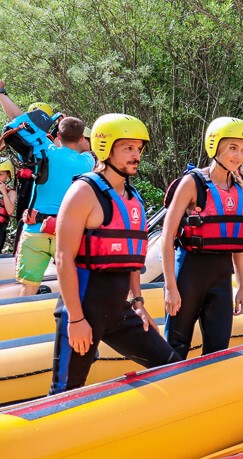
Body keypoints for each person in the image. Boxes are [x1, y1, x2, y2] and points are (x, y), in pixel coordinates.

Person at [50, 113, 182, 394]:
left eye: (138, 149)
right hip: (84, 310)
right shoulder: (83, 192)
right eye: (128, 149)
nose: (136, 156)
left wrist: (138, 302)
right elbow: (63, 259)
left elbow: (132, 258)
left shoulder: (133, 198)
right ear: (104, 148)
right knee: (64, 391)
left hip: (121, 312)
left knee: (171, 365)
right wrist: (75, 319)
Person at [161, 117, 243, 359]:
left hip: (221, 279)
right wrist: (170, 287)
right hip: (189, 274)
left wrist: (241, 287)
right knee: (176, 348)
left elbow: (239, 243)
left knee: (218, 351)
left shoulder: (242, 188)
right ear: (215, 146)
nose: (238, 156)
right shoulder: (193, 183)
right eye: (233, 148)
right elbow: (167, 236)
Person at [14, 116, 95, 295]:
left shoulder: (45, 153)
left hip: (35, 231)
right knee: (72, 285)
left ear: (58, 134)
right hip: (67, 234)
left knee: (28, 287)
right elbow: (88, 150)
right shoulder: (88, 162)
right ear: (82, 138)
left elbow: (22, 124)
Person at [0, 158, 17, 252]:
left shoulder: (11, 192)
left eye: (1, 175)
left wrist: (4, 192)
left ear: (8, 175)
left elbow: (10, 211)